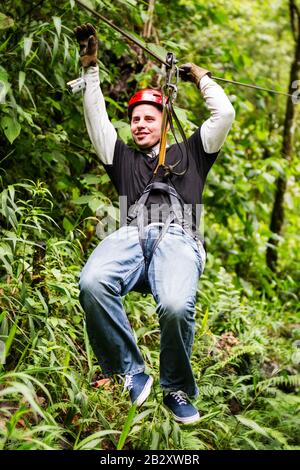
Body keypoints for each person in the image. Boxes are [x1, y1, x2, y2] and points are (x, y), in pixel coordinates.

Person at [75, 23, 235, 425]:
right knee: (92, 282)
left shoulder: (194, 152)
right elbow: (97, 121)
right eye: (135, 119)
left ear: (165, 120)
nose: (141, 124)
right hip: (130, 236)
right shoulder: (124, 160)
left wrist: (201, 78)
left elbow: (224, 114)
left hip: (180, 238)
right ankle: (128, 371)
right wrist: (91, 69)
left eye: (149, 117)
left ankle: (177, 386)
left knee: (178, 306)